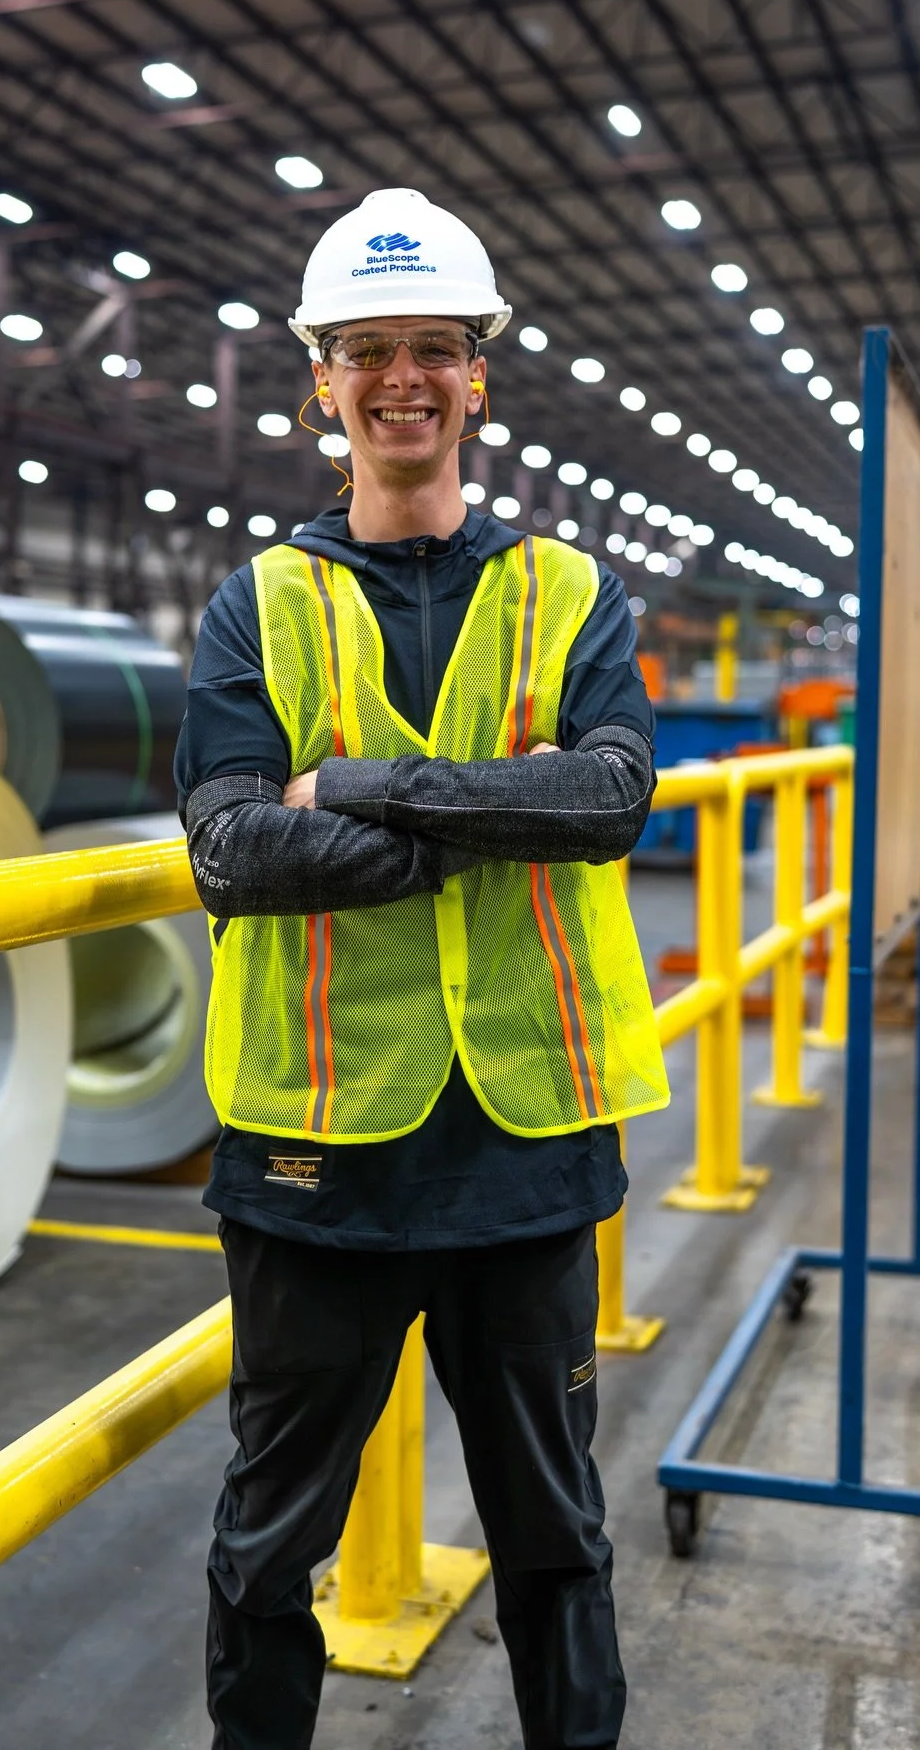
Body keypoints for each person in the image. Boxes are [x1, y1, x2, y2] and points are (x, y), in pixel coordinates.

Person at [177, 187, 670, 1750]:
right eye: (372, 351)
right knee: (271, 1551)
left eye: (437, 351)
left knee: (555, 1536)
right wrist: (490, 804)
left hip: (523, 1150)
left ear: (482, 373)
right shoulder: (256, 601)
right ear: (321, 377)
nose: (406, 379)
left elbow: (605, 804)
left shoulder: (570, 590)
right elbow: (227, 849)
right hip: (315, 1156)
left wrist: (370, 787)